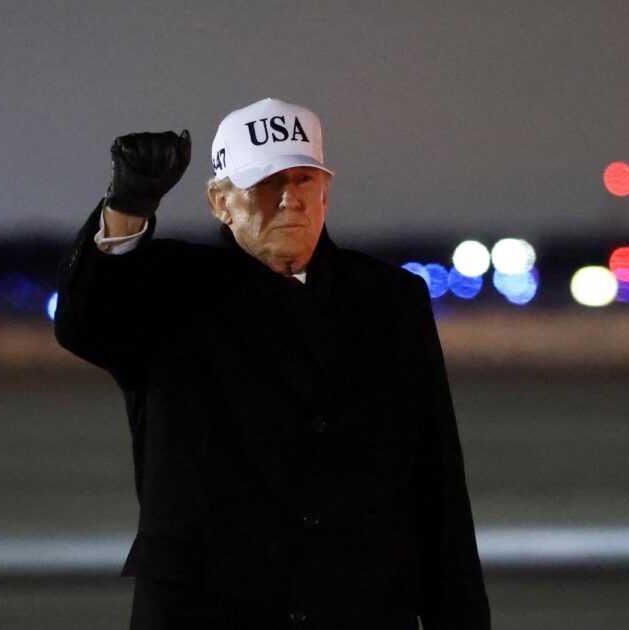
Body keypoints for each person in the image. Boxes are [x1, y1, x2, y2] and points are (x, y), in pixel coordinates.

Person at [55, 98, 489, 630]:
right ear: (220, 202)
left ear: (326, 192)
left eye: (304, 179)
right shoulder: (170, 290)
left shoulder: (392, 300)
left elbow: (437, 489)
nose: (290, 199)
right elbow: (85, 325)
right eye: (265, 183)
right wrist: (128, 207)